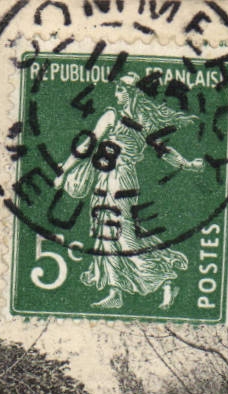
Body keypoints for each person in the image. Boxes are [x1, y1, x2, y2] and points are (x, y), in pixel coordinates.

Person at [51, 74, 206, 309]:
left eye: (121, 91)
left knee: (120, 234)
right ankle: (116, 291)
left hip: (117, 180)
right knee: (109, 232)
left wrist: (63, 171)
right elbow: (165, 151)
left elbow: (87, 145)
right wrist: (188, 164)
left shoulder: (114, 116)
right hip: (111, 179)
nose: (116, 95)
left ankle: (164, 280)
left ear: (133, 93)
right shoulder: (145, 121)